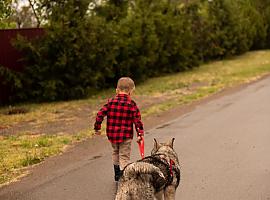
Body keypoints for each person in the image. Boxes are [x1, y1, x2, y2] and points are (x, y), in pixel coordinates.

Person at [94, 77, 144, 181]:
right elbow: (137, 121)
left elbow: (100, 114)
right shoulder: (131, 104)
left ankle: (117, 174)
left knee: (115, 152)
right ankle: (123, 175)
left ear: (117, 90)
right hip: (126, 136)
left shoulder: (110, 102)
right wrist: (140, 134)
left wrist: (97, 128)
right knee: (124, 156)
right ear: (130, 91)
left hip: (112, 135)